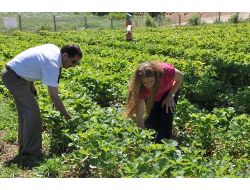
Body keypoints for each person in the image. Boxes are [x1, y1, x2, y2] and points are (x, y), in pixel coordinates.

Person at [2, 44, 83, 159]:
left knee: (25, 113)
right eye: (73, 62)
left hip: (16, 75)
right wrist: (68, 117)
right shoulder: (53, 63)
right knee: (32, 112)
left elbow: (34, 61)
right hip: (15, 79)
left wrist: (31, 83)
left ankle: (24, 145)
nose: (73, 66)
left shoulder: (54, 49)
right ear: (65, 55)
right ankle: (31, 152)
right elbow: (54, 96)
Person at [124, 61, 183, 143]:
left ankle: (164, 146)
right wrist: (141, 138)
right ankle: (149, 144)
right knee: (151, 121)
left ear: (157, 76)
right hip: (152, 96)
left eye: (151, 81)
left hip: (169, 91)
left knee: (166, 118)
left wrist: (170, 96)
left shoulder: (166, 71)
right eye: (145, 82)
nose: (148, 85)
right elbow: (139, 117)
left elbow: (180, 77)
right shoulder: (140, 89)